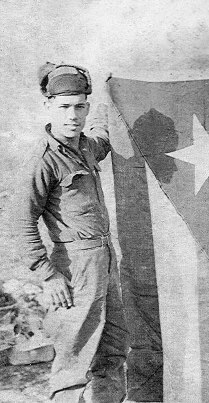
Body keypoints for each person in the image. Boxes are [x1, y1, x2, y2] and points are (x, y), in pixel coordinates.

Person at [14, 63, 129, 402]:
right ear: (48, 105)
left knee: (112, 350)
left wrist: (114, 94)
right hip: (73, 266)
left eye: (80, 106)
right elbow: (21, 222)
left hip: (104, 260)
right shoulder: (43, 160)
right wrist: (48, 276)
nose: (72, 115)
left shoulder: (86, 147)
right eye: (64, 107)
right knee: (74, 359)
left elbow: (103, 137)